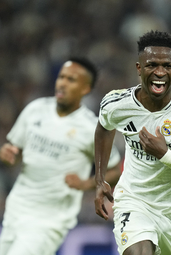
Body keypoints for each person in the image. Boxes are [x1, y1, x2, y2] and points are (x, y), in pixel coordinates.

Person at [94, 30, 171, 255]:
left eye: (167, 66)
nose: (160, 72)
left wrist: (165, 155)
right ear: (139, 68)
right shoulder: (116, 103)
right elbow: (104, 127)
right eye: (152, 65)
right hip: (134, 199)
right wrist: (100, 179)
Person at [0, 57, 121, 255]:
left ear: (85, 89)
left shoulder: (91, 128)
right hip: (16, 209)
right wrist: (7, 155)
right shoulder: (35, 109)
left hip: (49, 220)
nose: (62, 83)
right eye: (61, 77)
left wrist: (85, 184)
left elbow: (114, 171)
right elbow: (15, 151)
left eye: (71, 79)